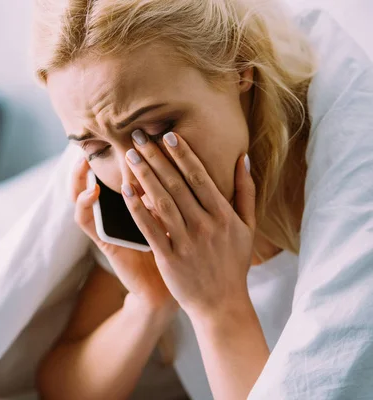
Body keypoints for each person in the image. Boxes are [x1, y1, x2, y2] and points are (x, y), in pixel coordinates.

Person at [31, 0, 373, 399]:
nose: (133, 177)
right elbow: (60, 390)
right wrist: (149, 303)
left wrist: (219, 307)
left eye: (155, 129)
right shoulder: (140, 213)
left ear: (239, 68)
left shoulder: (347, 201)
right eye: (96, 148)